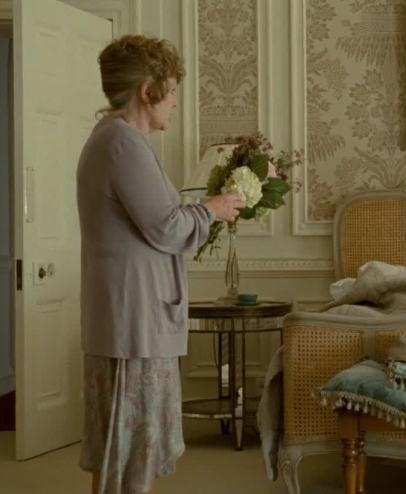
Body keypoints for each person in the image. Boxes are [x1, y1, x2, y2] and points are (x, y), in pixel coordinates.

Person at [76, 35, 245, 494]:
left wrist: (205, 211)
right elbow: (167, 228)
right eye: (170, 91)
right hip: (134, 324)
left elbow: (156, 222)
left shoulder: (112, 139)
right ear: (147, 90)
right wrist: (212, 209)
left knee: (127, 453)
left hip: (130, 318)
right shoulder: (123, 143)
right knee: (131, 455)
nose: (174, 102)